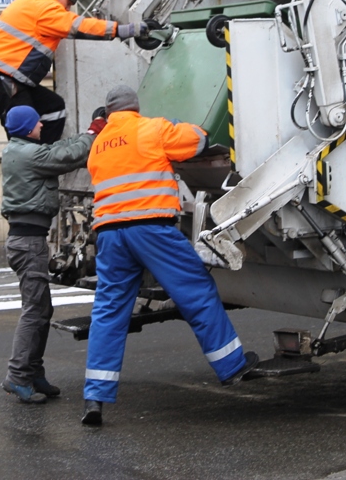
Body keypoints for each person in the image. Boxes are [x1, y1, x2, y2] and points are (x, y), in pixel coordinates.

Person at [80, 85, 259, 425]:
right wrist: (174, 122)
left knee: (108, 312)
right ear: (135, 107)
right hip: (151, 229)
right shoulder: (152, 128)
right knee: (196, 291)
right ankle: (232, 365)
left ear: (108, 112)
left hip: (109, 235)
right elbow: (199, 139)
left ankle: (95, 398)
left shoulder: (99, 144)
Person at [0, 105, 108, 404]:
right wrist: (94, 133)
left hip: (26, 239)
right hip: (28, 242)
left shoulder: (21, 149)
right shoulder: (27, 154)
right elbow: (66, 157)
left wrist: (88, 133)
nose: (41, 127)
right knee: (34, 311)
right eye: (36, 123)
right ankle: (17, 377)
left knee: (42, 310)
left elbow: (57, 148)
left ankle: (33, 373)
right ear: (26, 127)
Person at [0, 0, 147, 144]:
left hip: (6, 79)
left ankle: (46, 158)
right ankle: (34, 164)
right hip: (2, 79)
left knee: (53, 107)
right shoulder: (46, 7)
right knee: (24, 130)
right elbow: (77, 26)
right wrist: (122, 30)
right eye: (68, 5)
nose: (67, 10)